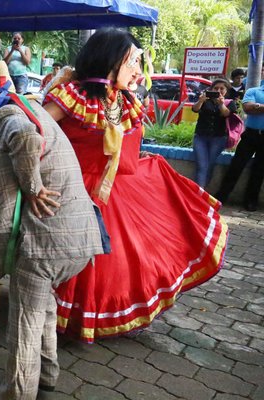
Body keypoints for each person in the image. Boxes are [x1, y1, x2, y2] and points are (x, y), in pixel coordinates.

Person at [42, 28, 227, 342]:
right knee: (82, 260)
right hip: (73, 190)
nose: (138, 72)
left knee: (110, 263)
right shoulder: (71, 95)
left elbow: (115, 145)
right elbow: (35, 135)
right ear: (110, 62)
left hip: (114, 190)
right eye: (132, 63)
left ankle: (80, 319)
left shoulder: (119, 100)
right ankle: (58, 316)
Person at [0, 59, 104, 400]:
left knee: (25, 324)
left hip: (46, 242)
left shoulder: (8, 115)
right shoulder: (29, 105)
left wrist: (32, 186)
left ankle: (18, 393)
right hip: (77, 236)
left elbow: (24, 137)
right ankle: (47, 376)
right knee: (43, 309)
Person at [215, 78, 264, 211]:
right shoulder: (253, 91)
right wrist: (255, 107)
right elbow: (247, 108)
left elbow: (253, 107)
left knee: (259, 171)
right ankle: (221, 197)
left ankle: (251, 201)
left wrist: (258, 106)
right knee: (236, 166)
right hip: (251, 135)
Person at [191, 79, 236, 188]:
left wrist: (221, 104)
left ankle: (202, 192)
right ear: (211, 89)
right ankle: (198, 195)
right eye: (216, 88)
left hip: (218, 138)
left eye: (222, 89)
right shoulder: (205, 100)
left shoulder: (229, 103)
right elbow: (195, 109)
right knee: (202, 166)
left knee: (210, 165)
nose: (219, 90)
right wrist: (201, 101)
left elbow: (226, 114)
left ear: (226, 90)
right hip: (201, 137)